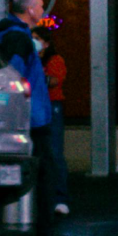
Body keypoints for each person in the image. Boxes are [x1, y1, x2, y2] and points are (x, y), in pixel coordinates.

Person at [0, 0, 55, 236]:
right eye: (39, 6)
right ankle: (46, 233)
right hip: (31, 118)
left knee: (3, 171)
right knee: (46, 170)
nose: (42, 11)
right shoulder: (19, 37)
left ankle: (0, 227)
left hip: (4, 116)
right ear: (29, 10)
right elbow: (12, 78)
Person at [39, 29, 68, 219]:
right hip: (39, 105)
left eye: (37, 39)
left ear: (47, 43)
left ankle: (61, 198)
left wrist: (38, 78)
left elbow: (56, 80)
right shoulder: (32, 59)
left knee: (55, 152)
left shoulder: (55, 60)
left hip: (51, 105)